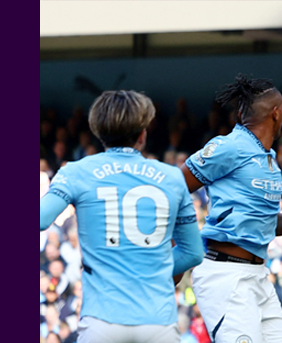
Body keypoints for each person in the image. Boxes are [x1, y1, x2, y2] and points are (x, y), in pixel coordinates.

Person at [40, 90, 204, 342]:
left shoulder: (75, 172)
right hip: (157, 319)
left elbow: (40, 219)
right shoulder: (172, 177)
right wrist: (151, 271)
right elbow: (192, 252)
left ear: (98, 132)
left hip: (101, 321)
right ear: (142, 134)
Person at [181, 75, 282, 343]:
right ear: (277, 114)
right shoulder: (228, 146)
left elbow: (263, 221)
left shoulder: (268, 157)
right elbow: (174, 188)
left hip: (257, 276)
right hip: (226, 276)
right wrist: (180, 246)